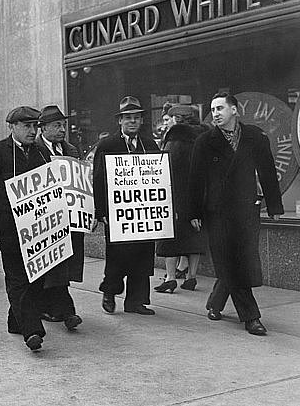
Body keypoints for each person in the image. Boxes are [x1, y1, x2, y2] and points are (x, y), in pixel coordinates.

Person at [188, 92, 283, 336]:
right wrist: (194, 211)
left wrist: (274, 206)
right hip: (217, 212)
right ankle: (251, 317)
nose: (216, 113)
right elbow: (195, 180)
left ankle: (215, 303)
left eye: (220, 108)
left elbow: (267, 172)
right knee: (231, 262)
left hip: (247, 208)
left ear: (234, 111)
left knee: (239, 260)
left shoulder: (254, 137)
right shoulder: (205, 141)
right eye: (213, 109)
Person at [0, 106, 49, 351]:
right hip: (10, 227)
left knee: (37, 276)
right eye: (27, 126)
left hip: (39, 226)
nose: (33, 131)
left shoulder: (41, 153)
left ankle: (15, 320)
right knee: (18, 277)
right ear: (12, 127)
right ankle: (32, 330)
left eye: (35, 126)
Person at [93, 96, 160, 316]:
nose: (132, 122)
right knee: (118, 258)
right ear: (119, 121)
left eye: (136, 118)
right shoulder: (107, 145)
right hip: (118, 213)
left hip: (145, 213)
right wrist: (100, 211)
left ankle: (136, 301)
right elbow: (99, 180)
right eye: (128, 118)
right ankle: (109, 292)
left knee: (142, 258)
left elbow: (159, 177)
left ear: (141, 121)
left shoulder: (149, 145)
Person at [34, 105, 83, 331]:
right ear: (42, 128)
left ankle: (57, 309)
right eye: (56, 125)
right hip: (43, 217)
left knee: (62, 263)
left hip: (69, 216)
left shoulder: (71, 149)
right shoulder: (34, 150)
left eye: (63, 124)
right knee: (50, 264)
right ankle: (66, 311)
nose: (62, 129)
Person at [154, 105, 209, 293]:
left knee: (170, 237)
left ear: (177, 119)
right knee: (195, 237)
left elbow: (168, 168)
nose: (166, 122)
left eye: (169, 118)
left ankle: (170, 278)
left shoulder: (176, 137)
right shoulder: (204, 136)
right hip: (199, 195)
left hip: (177, 196)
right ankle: (191, 277)